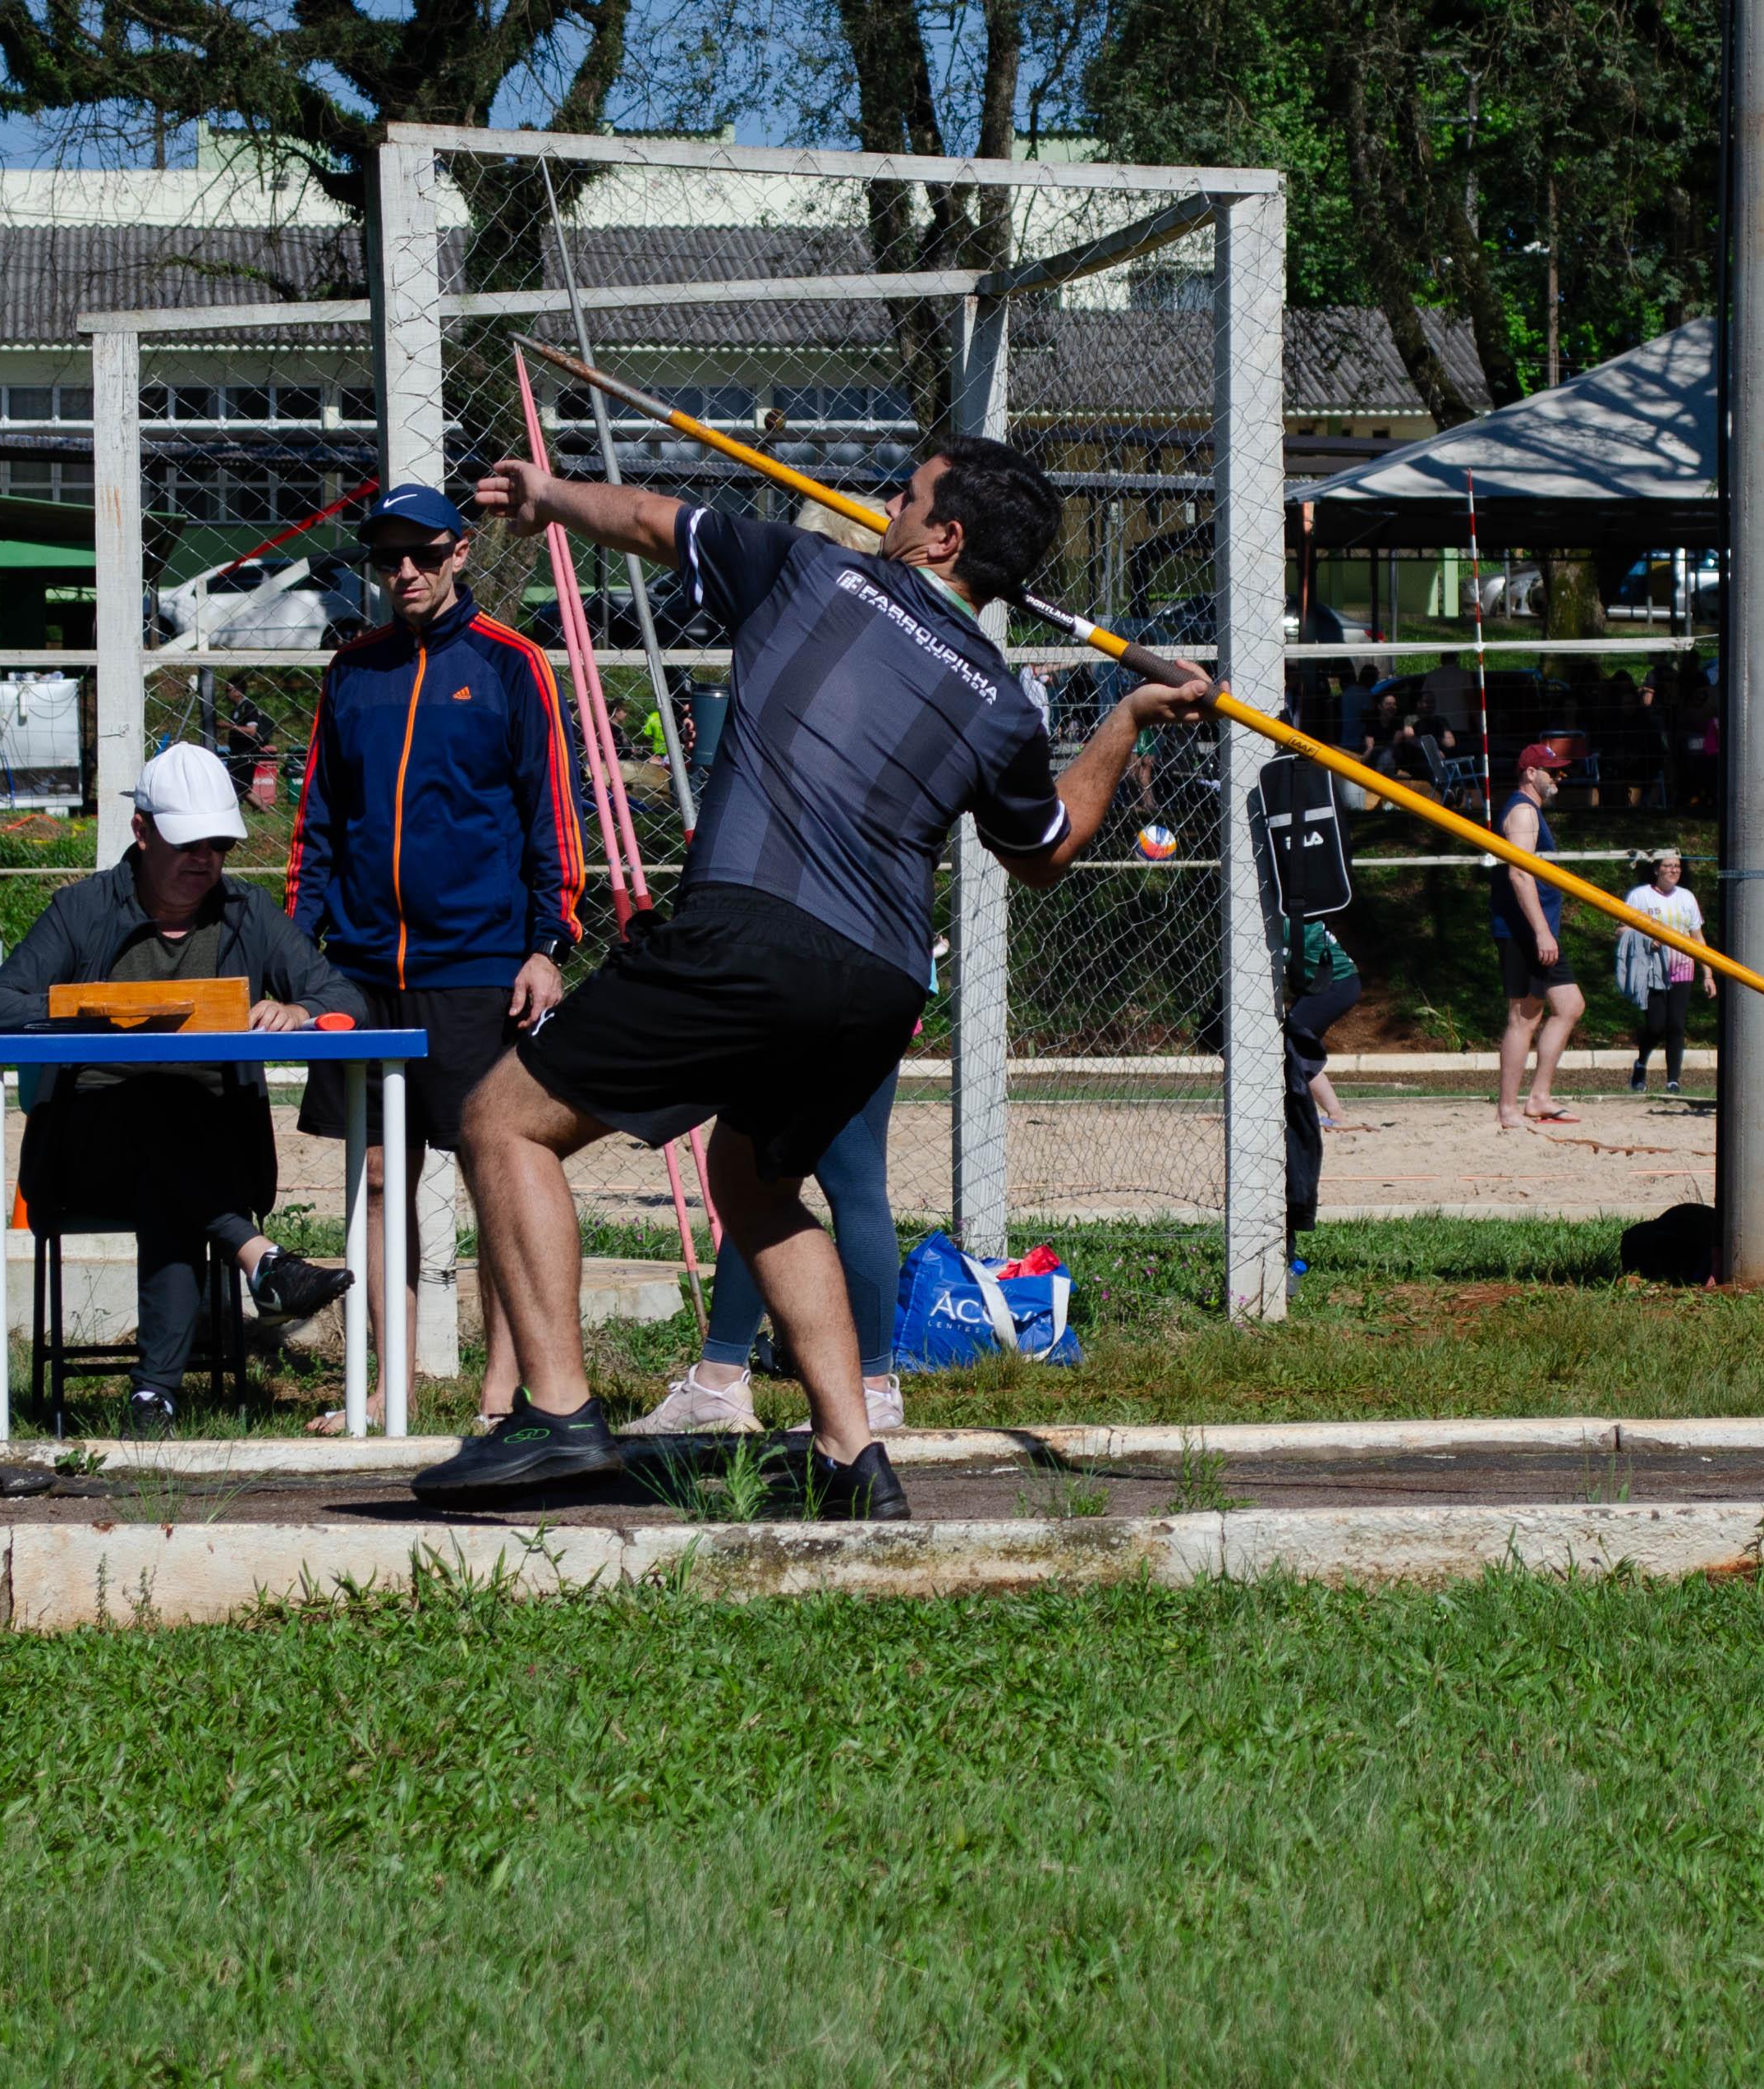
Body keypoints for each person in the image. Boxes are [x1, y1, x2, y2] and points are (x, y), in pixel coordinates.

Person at [419, 438, 1209, 1516]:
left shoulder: (810, 570)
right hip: (878, 986)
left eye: (906, 496)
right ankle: (849, 1451)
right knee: (753, 1183)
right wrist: (1125, 720)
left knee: (503, 1120)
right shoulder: (1000, 701)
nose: (886, 506)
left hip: (754, 934)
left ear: (945, 536)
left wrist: (549, 494)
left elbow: (647, 520)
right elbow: (1047, 850)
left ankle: (555, 1412)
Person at [287, 484, 586, 1430]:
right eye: (387, 558)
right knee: (380, 1177)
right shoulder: (351, 671)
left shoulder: (511, 664)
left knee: (497, 1170)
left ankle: (503, 1388)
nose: (404, 572)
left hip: (478, 964)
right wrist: (297, 951)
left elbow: (551, 811)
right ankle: (394, 1386)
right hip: (363, 965)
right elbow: (318, 821)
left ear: (459, 551)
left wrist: (546, 942)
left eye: (421, 554)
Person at [0, 745, 369, 1435]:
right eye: (189, 843)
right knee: (161, 1103)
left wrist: (300, 1010)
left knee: (172, 1161)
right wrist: (92, 1012)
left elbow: (344, 999)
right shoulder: (81, 909)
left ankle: (153, 1400)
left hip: (209, 1156)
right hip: (87, 1155)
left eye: (219, 845)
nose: (205, 859)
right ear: (142, 831)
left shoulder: (247, 912)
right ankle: (261, 1263)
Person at [620, 1075, 907, 1439]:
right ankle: (872, 1393)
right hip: (871, 1036)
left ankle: (718, 1384)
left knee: (754, 1185)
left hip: (789, 1038)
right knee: (857, 1184)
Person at [1493, 737, 1587, 1125]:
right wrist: (1542, 932)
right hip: (1524, 931)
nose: (1559, 778)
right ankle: (1507, 1108)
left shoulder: (1531, 811)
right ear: (1531, 773)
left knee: (1570, 1005)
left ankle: (1539, 1098)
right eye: (1553, 772)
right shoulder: (1523, 813)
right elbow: (1519, 874)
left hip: (1537, 930)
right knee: (1525, 1017)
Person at [1278, 908, 1363, 1253]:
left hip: (1338, 985)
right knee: (1295, 1048)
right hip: (1334, 983)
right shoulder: (1285, 916)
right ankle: (1335, 1112)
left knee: (1289, 1044)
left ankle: (1334, 1113)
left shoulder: (1281, 921)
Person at [1615, 851, 1711, 1093]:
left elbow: (1697, 937)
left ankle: (1673, 1080)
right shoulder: (1640, 896)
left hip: (1683, 968)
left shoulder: (1687, 897)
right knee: (1656, 1026)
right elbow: (1621, 930)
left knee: (1676, 1025)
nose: (1673, 870)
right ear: (1656, 869)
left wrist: (1708, 973)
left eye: (1677, 866)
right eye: (1668, 866)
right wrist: (1647, 939)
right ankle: (1641, 1064)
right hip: (1652, 970)